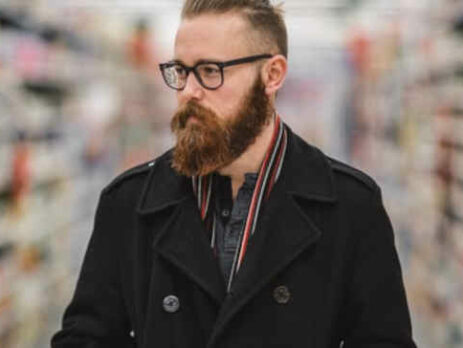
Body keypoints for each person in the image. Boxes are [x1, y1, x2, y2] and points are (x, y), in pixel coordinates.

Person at [51, 0, 417, 347]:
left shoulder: (351, 207)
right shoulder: (128, 203)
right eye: (181, 71)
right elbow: (86, 338)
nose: (188, 92)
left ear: (272, 75)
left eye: (210, 71)